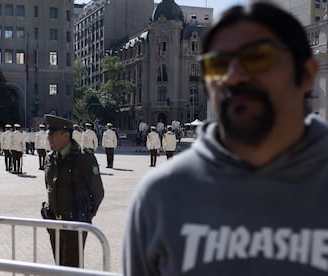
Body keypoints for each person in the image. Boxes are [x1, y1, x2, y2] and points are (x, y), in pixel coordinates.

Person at [123, 3, 325, 275]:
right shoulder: (161, 195)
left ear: (308, 74)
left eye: (258, 58)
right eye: (218, 63)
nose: (232, 76)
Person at [42, 114, 104, 267]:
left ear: (66, 135)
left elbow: (97, 192)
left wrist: (85, 214)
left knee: (72, 267)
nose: (49, 140)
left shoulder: (84, 157)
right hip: (54, 222)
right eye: (48, 136)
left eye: (52, 136)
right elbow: (49, 187)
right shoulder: (50, 158)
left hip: (75, 222)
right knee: (60, 264)